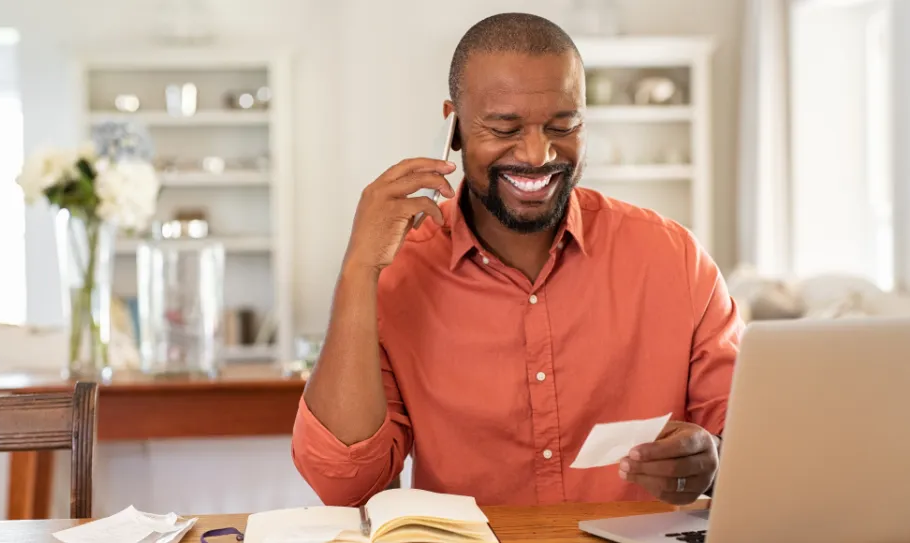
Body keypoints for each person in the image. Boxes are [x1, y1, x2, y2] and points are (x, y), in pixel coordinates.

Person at [291, 12, 744, 507]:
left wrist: (713, 461)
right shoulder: (398, 269)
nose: (536, 154)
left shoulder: (672, 258)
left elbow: (752, 453)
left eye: (563, 125)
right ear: (456, 128)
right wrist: (359, 269)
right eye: (505, 128)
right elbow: (345, 484)